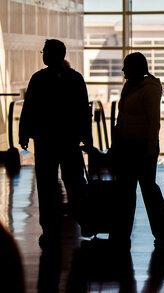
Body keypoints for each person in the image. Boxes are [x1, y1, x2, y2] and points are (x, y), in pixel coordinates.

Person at [19, 39, 92, 246]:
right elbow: (82, 111)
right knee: (75, 182)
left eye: (44, 51)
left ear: (50, 55)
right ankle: (84, 220)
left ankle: (50, 229)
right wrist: (86, 138)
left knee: (46, 185)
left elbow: (29, 108)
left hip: (45, 141)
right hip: (69, 140)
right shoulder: (75, 78)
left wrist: (24, 133)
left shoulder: (39, 78)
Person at [110, 52, 164, 248]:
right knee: (132, 191)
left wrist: (150, 148)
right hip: (127, 146)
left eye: (126, 66)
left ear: (135, 68)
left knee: (143, 190)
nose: (123, 70)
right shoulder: (131, 86)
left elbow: (154, 122)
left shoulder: (149, 89)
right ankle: (157, 232)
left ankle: (155, 232)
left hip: (140, 146)